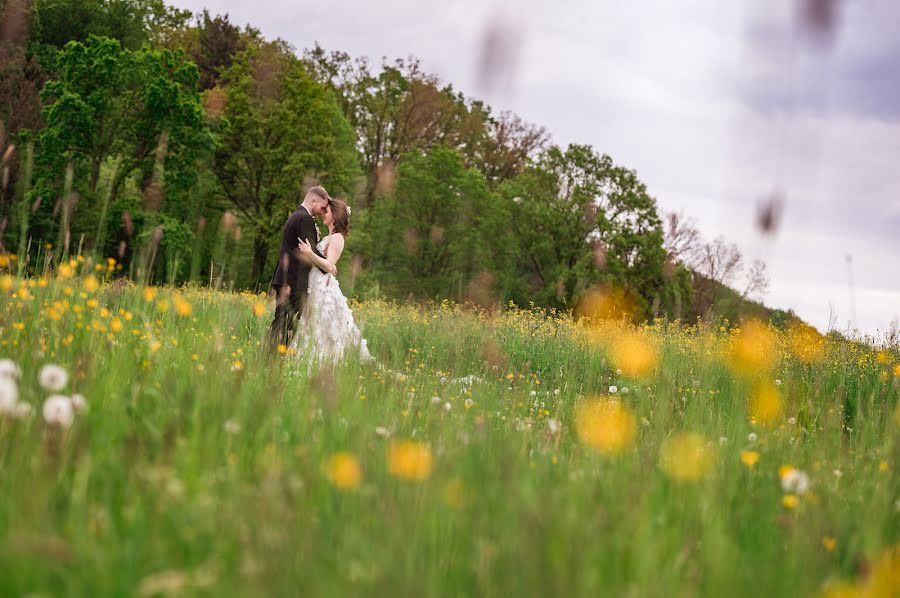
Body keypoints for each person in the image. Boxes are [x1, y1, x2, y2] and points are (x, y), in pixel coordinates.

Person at [295, 198, 372, 364]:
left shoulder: (337, 238)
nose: (324, 213)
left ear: (335, 216)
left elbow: (329, 265)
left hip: (324, 288)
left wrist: (309, 252)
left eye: (327, 211)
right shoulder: (330, 237)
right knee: (313, 325)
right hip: (316, 285)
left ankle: (324, 362)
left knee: (323, 325)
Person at [266, 186, 335, 353]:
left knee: (282, 322)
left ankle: (269, 358)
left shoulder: (296, 215)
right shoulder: (304, 219)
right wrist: (328, 266)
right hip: (294, 281)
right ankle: (272, 358)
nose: (322, 211)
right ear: (313, 201)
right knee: (288, 325)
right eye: (322, 207)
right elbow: (309, 252)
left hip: (285, 278)